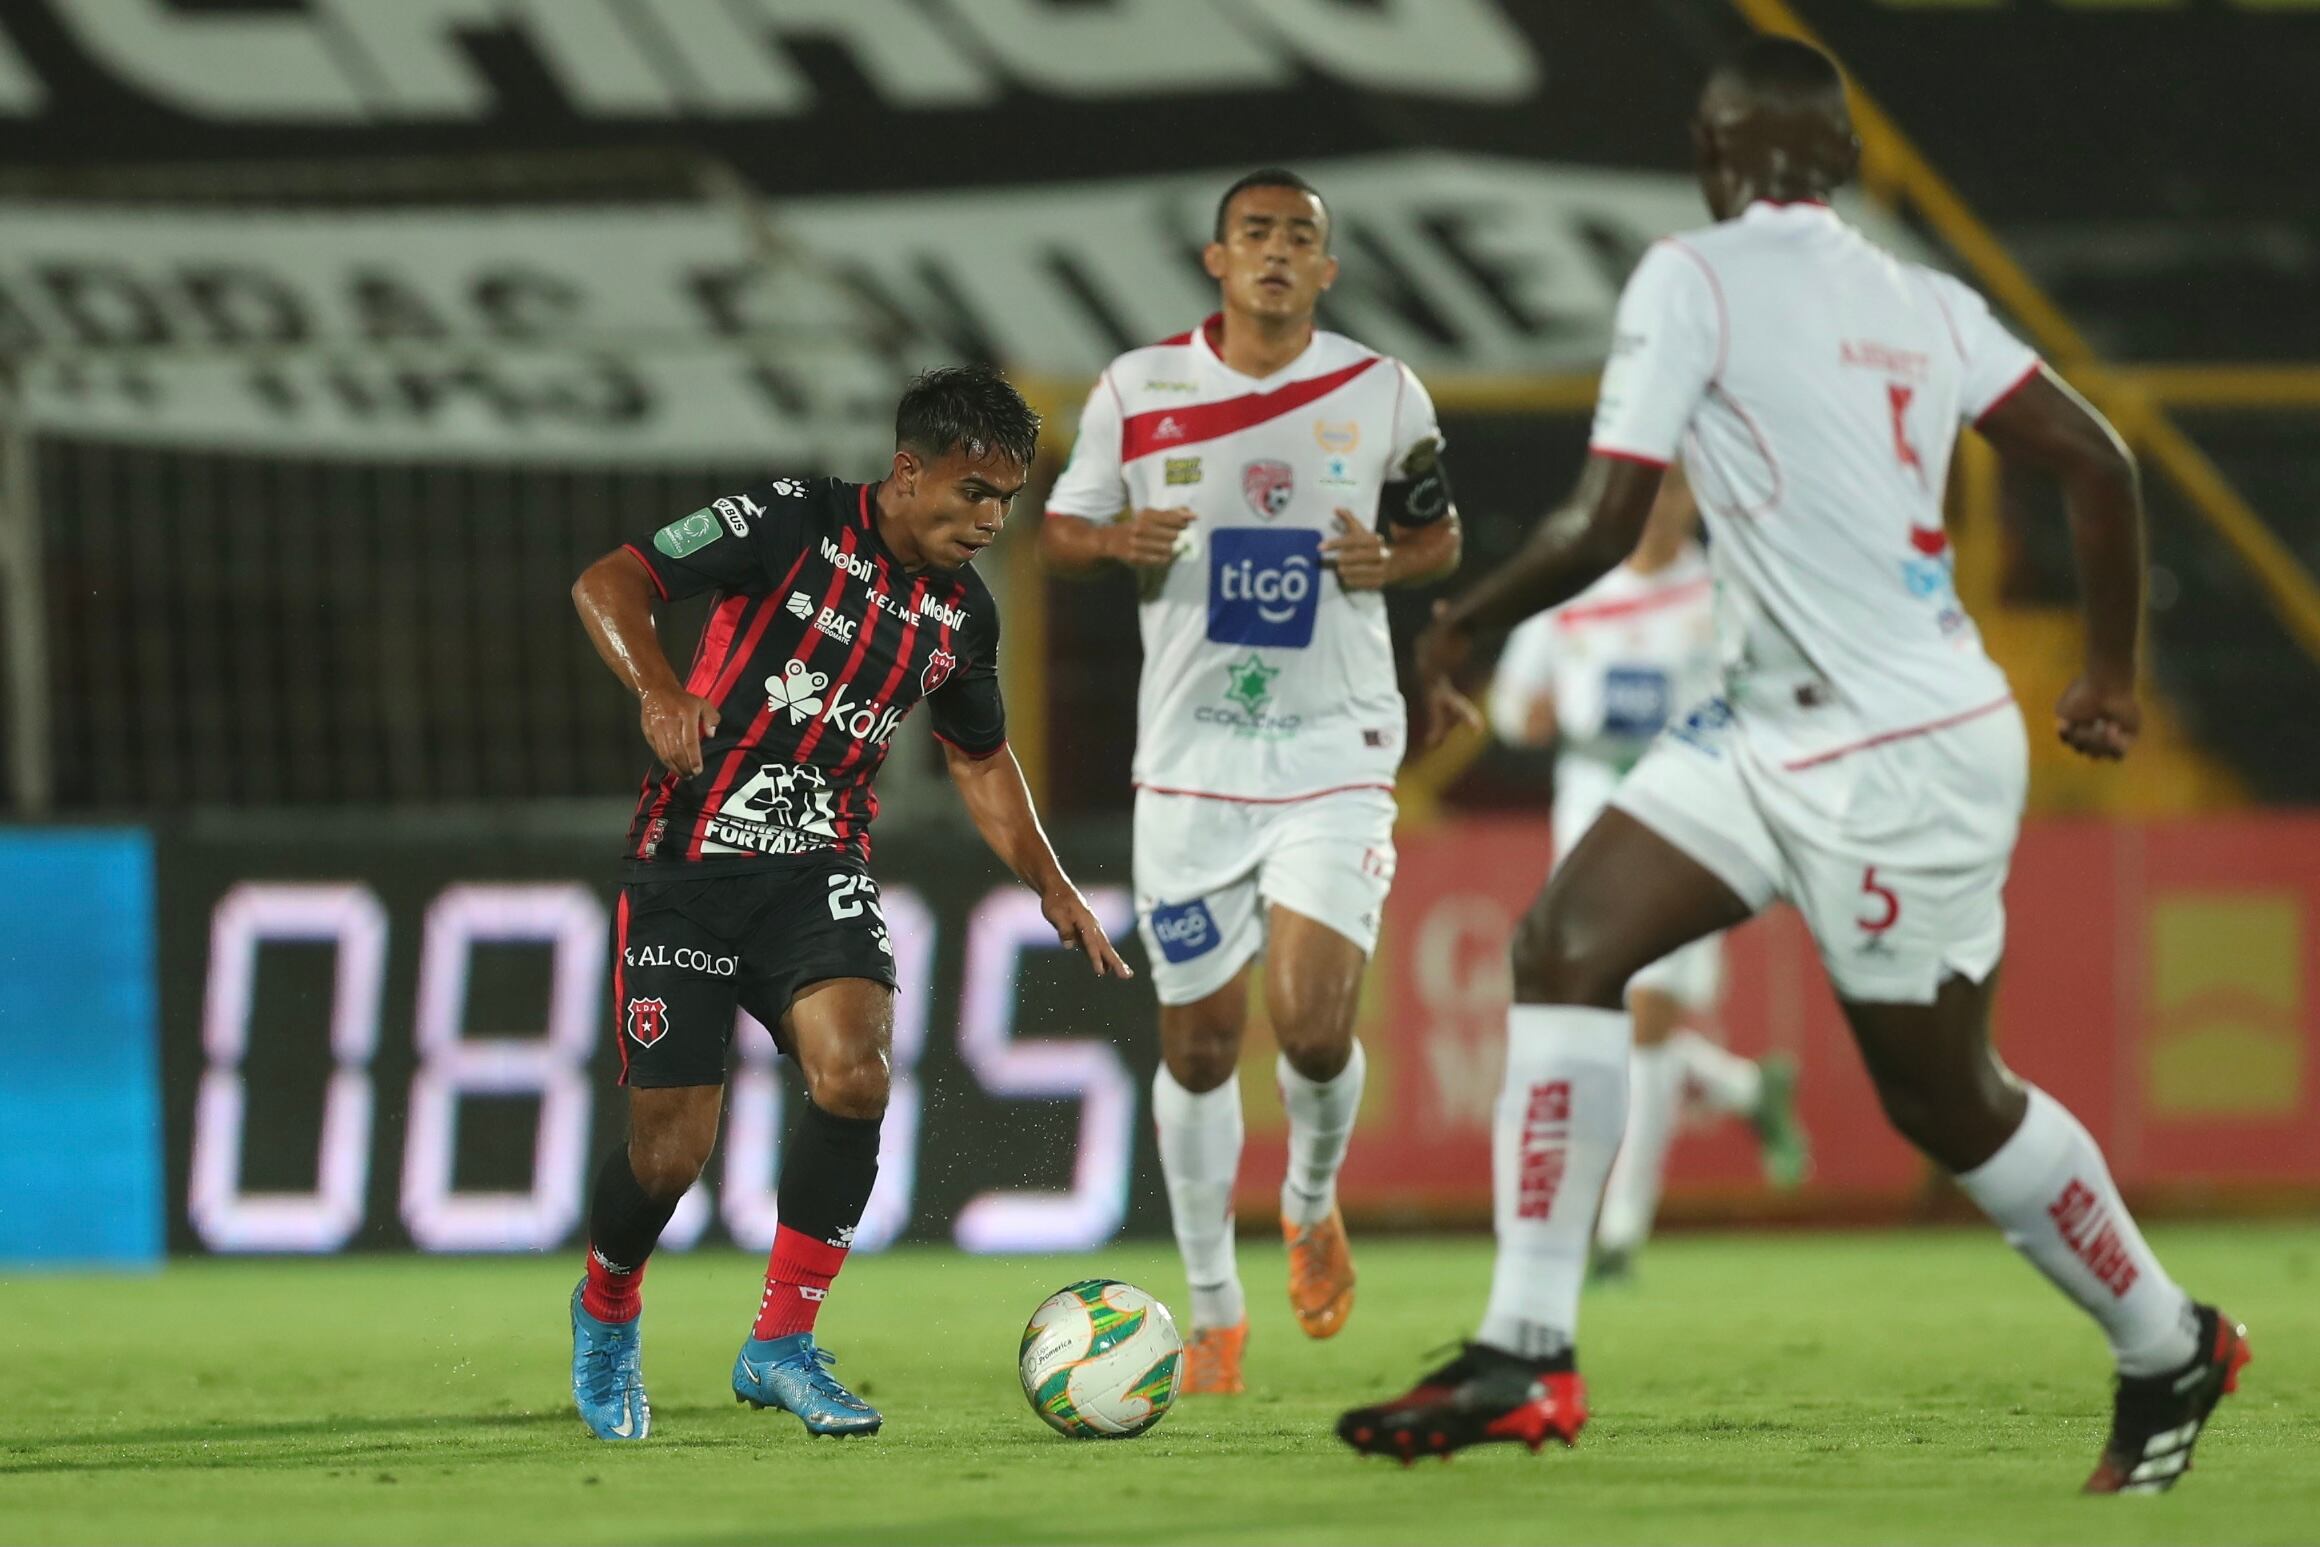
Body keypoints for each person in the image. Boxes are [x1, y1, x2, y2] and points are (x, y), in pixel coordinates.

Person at [1338, 37, 2247, 1493]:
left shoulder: (1687, 275)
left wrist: (1455, 625)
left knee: (1947, 1099)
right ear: (1841, 160)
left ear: (1712, 157)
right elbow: (2099, 461)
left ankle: (2170, 1338)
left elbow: (1602, 518)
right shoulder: (1929, 300)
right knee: (1565, 944)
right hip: (1767, 725)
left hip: (1896, 751)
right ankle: (1524, 1347)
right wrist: (2105, 674)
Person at [566, 365, 1131, 1442]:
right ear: (907, 471)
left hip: (818, 867)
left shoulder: (963, 613)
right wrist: (657, 686)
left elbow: (978, 758)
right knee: (671, 1153)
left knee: (856, 1073)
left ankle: (780, 1344)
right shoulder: (788, 521)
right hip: (686, 864)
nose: (991, 519)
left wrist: (1051, 881)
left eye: (1007, 499)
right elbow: (611, 580)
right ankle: (608, 1305)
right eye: (973, 491)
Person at [1041, 168, 1462, 1393]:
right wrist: (1109, 539)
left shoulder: (1382, 390)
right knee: (1200, 1047)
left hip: (1335, 750)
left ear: (1326, 269)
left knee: (1317, 1025)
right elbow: (1058, 529)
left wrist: (1395, 559)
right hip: (1190, 767)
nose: (1277, 251)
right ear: (1216, 259)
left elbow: (1437, 532)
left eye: (1300, 237)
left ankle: (1311, 1198)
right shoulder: (1137, 388)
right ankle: (1213, 1308)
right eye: (1255, 233)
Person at [1488, 466, 1808, 1280]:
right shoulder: (1573, 580)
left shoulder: (1724, 592)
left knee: (1649, 1010)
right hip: (1591, 805)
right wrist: (1527, 717)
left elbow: (1773, 697)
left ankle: (1622, 1230)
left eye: (1676, 491)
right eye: (1651, 489)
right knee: (1603, 1006)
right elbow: (1511, 703)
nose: (1662, 508)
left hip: (1690, 808)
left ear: (1697, 498)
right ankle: (1740, 1090)